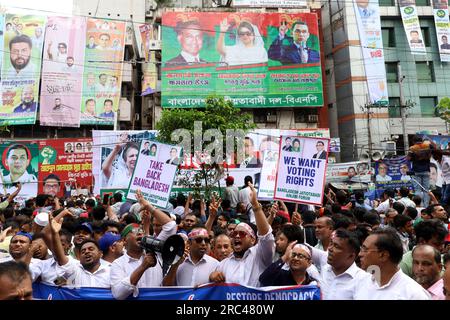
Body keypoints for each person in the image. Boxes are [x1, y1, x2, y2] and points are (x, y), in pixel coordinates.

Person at [110, 190, 177, 300]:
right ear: (124, 240)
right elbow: (118, 294)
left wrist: (148, 206)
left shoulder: (154, 252)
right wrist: (143, 267)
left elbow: (171, 226)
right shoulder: (118, 264)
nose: (140, 233)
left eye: (141, 231)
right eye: (135, 231)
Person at [209, 183, 275, 287]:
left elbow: (265, 235)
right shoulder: (223, 265)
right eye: (234, 233)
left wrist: (255, 206)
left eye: (242, 234)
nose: (237, 236)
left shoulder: (260, 255)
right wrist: (212, 276)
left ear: (253, 240)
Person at [356, 228, 430, 299]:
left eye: (365, 249)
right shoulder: (361, 282)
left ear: (383, 255)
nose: (360, 254)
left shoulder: (414, 294)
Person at [407, 135, 436, 207]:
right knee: (426, 190)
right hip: (426, 170)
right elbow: (435, 148)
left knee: (417, 190)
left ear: (414, 141)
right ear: (422, 140)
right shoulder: (427, 146)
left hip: (416, 171)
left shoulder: (412, 148)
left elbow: (408, 158)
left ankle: (419, 205)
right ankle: (426, 206)